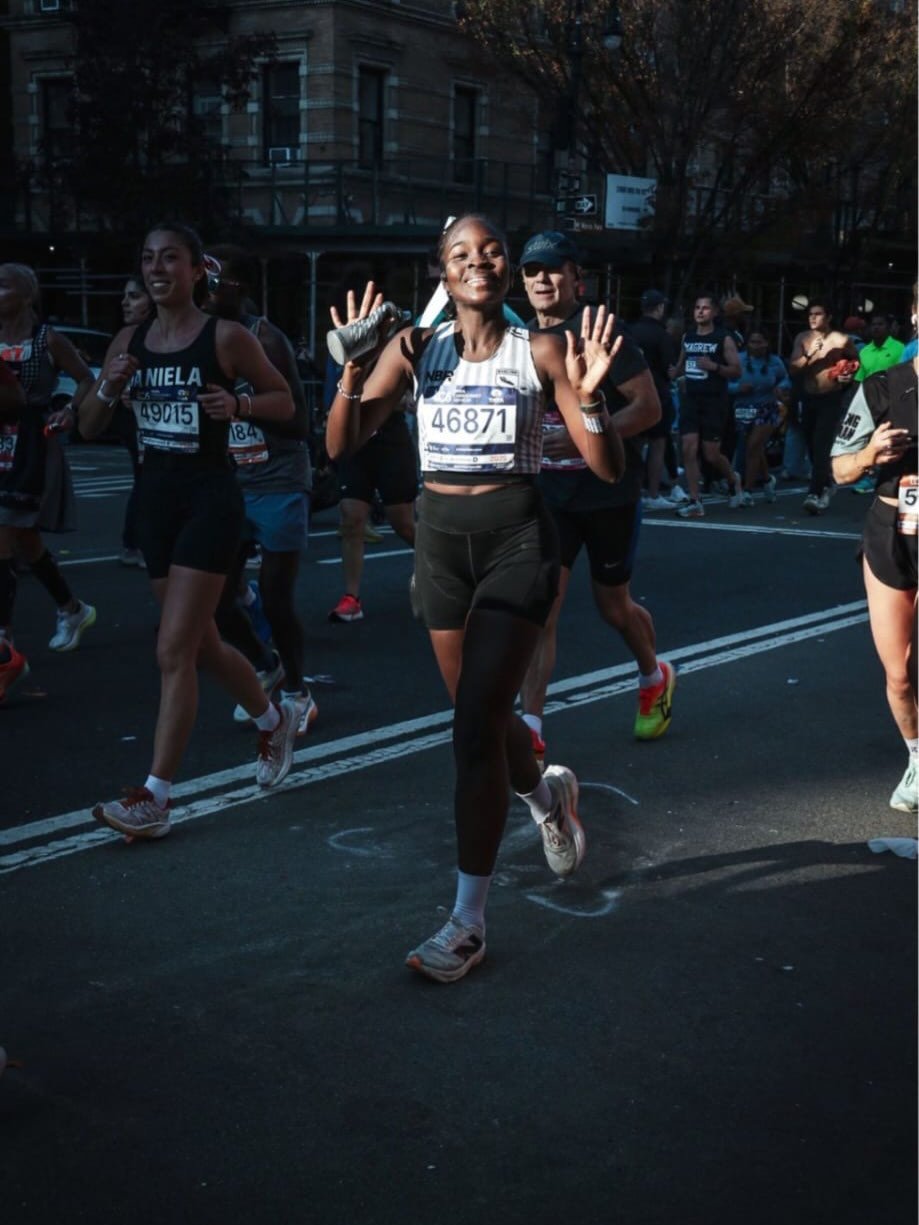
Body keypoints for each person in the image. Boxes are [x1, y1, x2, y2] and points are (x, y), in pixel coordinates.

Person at [325, 214, 625, 982]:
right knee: (483, 719)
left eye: (491, 251)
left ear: (504, 267)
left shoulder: (542, 349)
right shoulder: (413, 348)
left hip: (517, 541)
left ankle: (467, 921)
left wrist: (591, 399)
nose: (478, 261)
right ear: (443, 270)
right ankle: (548, 796)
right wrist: (354, 373)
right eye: (461, 252)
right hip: (440, 548)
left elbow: (606, 466)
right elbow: (339, 443)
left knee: (471, 729)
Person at [79, 222, 298, 841]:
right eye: (148, 258)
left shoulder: (224, 337)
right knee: (200, 644)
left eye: (170, 258)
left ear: (197, 269)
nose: (157, 269)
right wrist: (110, 384)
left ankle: (155, 797)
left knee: (172, 649)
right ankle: (273, 718)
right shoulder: (130, 339)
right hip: (155, 501)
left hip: (209, 499)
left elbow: (286, 401)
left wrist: (241, 406)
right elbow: (90, 426)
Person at [514, 231, 674, 759]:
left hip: (607, 494)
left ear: (576, 278)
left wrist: (589, 431)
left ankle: (653, 676)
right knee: (542, 607)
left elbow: (648, 409)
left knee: (614, 607)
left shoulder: (601, 331)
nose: (541, 279)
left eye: (552, 269)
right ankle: (531, 728)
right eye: (531, 271)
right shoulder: (516, 340)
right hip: (548, 495)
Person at [205, 244, 317, 736]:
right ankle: (264, 664)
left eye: (215, 282)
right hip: (228, 483)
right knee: (215, 602)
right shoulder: (199, 335)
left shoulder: (264, 338)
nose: (205, 291)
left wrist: (243, 406)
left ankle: (298, 691)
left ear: (241, 288)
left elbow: (299, 422)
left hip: (278, 480)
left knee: (274, 597)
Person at [0, 262, 97, 696]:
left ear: (27, 294)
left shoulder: (47, 339)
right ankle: (71, 608)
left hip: (29, 445)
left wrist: (69, 410)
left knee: (5, 533)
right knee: (23, 539)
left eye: (3, 286)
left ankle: (3, 644)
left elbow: (84, 379)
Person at [830, 359, 917, 813]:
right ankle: (917, 757)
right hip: (890, 533)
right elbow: (840, 469)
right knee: (899, 675)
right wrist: (870, 455)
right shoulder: (882, 388)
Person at [667, 293, 743, 518]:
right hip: (690, 400)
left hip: (714, 401)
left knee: (711, 454)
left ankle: (733, 479)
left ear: (715, 312)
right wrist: (674, 372)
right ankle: (695, 501)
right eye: (697, 307)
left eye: (705, 308)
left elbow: (737, 371)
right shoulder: (688, 336)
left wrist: (714, 367)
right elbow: (682, 366)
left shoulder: (723, 338)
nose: (700, 311)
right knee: (688, 449)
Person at [787, 301, 858, 515]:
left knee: (821, 445)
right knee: (809, 441)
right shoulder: (802, 338)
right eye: (810, 314)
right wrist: (809, 354)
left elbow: (856, 362)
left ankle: (814, 493)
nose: (813, 318)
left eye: (818, 314)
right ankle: (826, 481)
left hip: (831, 397)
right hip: (807, 396)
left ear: (828, 317)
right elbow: (793, 368)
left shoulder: (841, 339)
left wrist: (847, 375)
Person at [630, 288, 683, 509]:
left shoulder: (630, 331)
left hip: (631, 395)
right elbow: (669, 370)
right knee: (658, 444)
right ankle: (652, 494)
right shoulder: (662, 335)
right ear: (659, 308)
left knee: (635, 445)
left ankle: (634, 492)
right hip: (657, 395)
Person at [113, 275, 153, 566]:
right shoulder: (128, 338)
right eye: (126, 296)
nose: (125, 303)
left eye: (135, 296)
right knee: (146, 478)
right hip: (138, 421)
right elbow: (102, 386)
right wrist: (120, 391)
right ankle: (137, 543)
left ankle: (137, 542)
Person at [728, 331, 791, 502]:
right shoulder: (738, 359)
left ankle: (748, 490)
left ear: (766, 343)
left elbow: (786, 379)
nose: (756, 346)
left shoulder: (775, 362)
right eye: (752, 342)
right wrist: (737, 388)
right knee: (755, 448)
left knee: (753, 445)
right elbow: (726, 383)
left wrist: (781, 388)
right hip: (742, 408)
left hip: (766, 407)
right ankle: (767, 479)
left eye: (759, 342)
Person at [854, 314, 905, 382]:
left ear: (888, 327)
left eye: (880, 324)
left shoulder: (900, 348)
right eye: (873, 324)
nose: (876, 327)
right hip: (868, 388)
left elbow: (905, 375)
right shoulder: (864, 352)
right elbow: (859, 379)